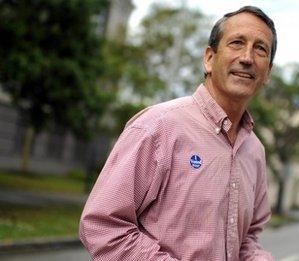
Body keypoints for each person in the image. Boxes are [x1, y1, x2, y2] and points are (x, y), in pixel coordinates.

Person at [79, 5, 277, 261]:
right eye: (237, 43)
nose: (247, 57)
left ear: (268, 73)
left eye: (260, 49)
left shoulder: (255, 151)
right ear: (209, 58)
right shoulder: (157, 126)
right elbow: (103, 225)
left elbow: (247, 239)